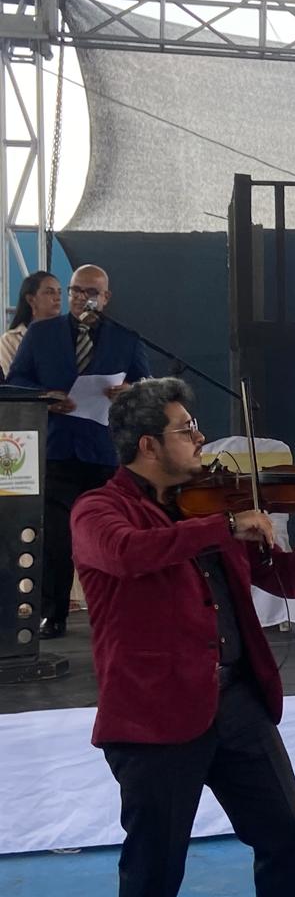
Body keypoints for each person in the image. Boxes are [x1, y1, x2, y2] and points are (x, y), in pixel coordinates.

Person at [70, 377, 295, 897]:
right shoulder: (98, 510)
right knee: (155, 867)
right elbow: (129, 552)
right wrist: (223, 525)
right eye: (187, 430)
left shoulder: (210, 507)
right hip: (154, 715)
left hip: (236, 703)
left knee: (285, 833)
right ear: (148, 445)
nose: (201, 439)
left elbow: (288, 579)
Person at [7, 263, 150, 638]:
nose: (81, 298)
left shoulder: (125, 338)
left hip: (104, 452)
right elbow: (16, 380)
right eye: (75, 291)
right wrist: (45, 396)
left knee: (108, 535)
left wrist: (130, 392)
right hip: (56, 447)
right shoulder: (42, 333)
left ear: (106, 297)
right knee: (55, 538)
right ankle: (52, 613)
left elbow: (146, 385)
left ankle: (114, 610)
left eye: (91, 292)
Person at [0, 270, 61, 378]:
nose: (57, 298)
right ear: (31, 300)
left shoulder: (65, 334)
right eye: (49, 292)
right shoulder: (10, 340)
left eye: (59, 292)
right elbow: (11, 379)